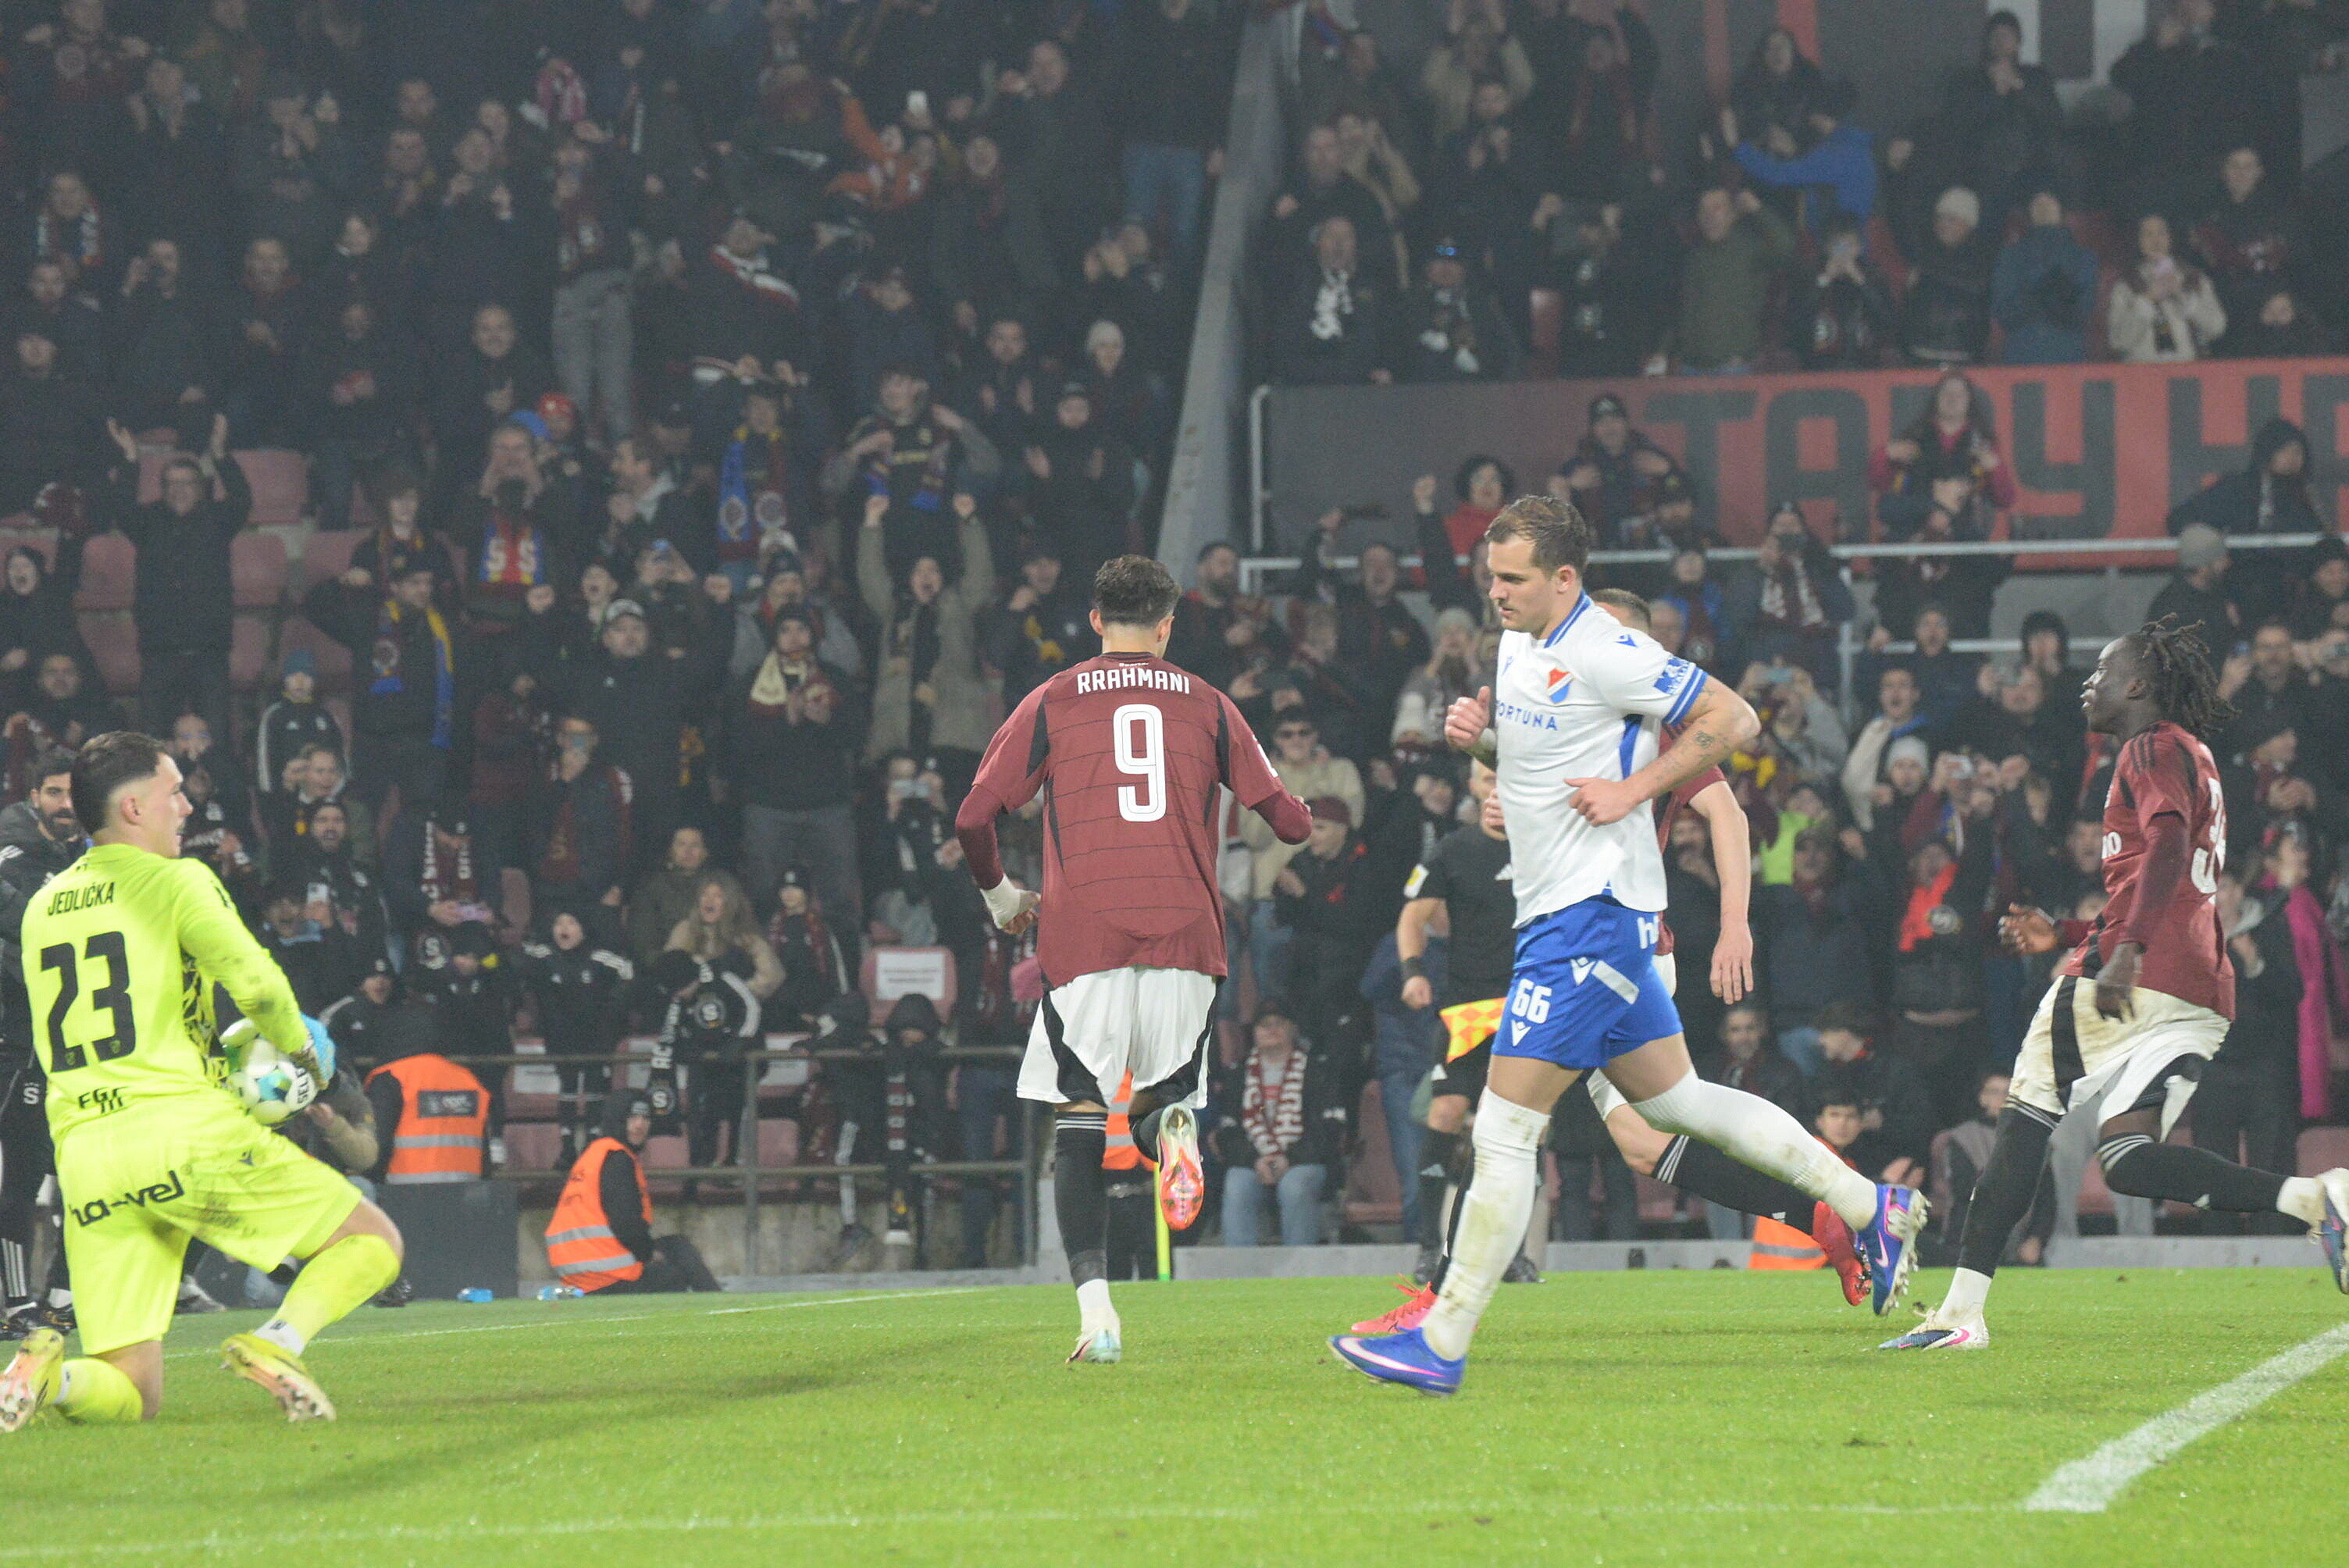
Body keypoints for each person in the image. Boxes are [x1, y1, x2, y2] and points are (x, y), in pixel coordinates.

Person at [1332, 495, 1923, 1395]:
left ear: (1563, 578)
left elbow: (1734, 718)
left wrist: (1635, 789)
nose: (1494, 592)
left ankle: (1441, 1339)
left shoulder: (1605, 647)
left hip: (1588, 922)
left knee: (1503, 1130)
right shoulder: (1518, 642)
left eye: (1512, 578)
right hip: (1574, 921)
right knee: (1680, 1102)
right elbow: (1540, 761)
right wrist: (1480, 742)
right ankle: (1866, 1204)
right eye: (1490, 576)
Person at [1887, 621, 2349, 1351]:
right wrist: (2071, 932)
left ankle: (1960, 1313)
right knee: (2130, 1159)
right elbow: (2165, 882)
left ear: (2137, 684)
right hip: (2199, 991)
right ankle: (2319, 1198)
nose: (2088, 683)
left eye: (2102, 670)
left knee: (2026, 1113)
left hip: (2142, 973)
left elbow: (2167, 844)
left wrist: (2124, 953)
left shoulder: (2149, 746)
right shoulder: (2193, 754)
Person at [954, 554, 1310, 1363]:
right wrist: (1291, 802)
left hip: (1085, 935)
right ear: (1166, 627)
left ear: (1093, 621)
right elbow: (1290, 823)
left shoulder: (1053, 699)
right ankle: (1172, 1126)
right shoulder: (1210, 704)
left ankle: (1098, 1319)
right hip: (1187, 932)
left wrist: (1002, 896)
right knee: (1158, 1096)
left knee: (1079, 1119)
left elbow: (973, 816)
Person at [1, 732, 402, 1430]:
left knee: (133, 1393)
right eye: (174, 792)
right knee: (372, 1241)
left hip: (89, 1155)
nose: (187, 807)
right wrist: (305, 1060)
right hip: (179, 1129)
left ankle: (47, 1377)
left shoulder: (42, 908)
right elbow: (259, 988)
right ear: (133, 809)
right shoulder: (175, 880)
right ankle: (279, 1342)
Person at [0, 752, 86, 1336]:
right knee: (25, 1177)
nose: (64, 805)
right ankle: (16, 1304)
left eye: (72, 794)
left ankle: (60, 1296)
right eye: (54, 793)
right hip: (23, 1042)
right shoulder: (14, 859)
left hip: (77, 1045)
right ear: (34, 798)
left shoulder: (90, 860)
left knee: (84, 1175)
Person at [544, 1096, 722, 1293]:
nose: (639, 1125)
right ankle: (718, 1304)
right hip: (606, 1273)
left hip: (577, 1274)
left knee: (675, 1247)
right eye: (632, 1117)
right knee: (673, 1272)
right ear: (617, 1120)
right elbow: (626, 1223)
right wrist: (648, 1255)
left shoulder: (593, 1155)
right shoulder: (618, 1159)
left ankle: (717, 1301)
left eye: (645, 1118)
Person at [1210, 1000, 1344, 1245]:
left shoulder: (1318, 1070)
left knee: (1295, 1185)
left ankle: (1300, 1264)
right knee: (1237, 1184)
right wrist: (1255, 1160)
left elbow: (1329, 1131)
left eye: (1279, 1023)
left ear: (1293, 1029)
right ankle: (1238, 1266)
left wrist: (1289, 1159)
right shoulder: (1238, 1074)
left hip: (1305, 1162)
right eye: (1264, 1025)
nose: (1271, 1029)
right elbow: (1228, 1132)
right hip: (1253, 1161)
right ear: (1254, 1033)